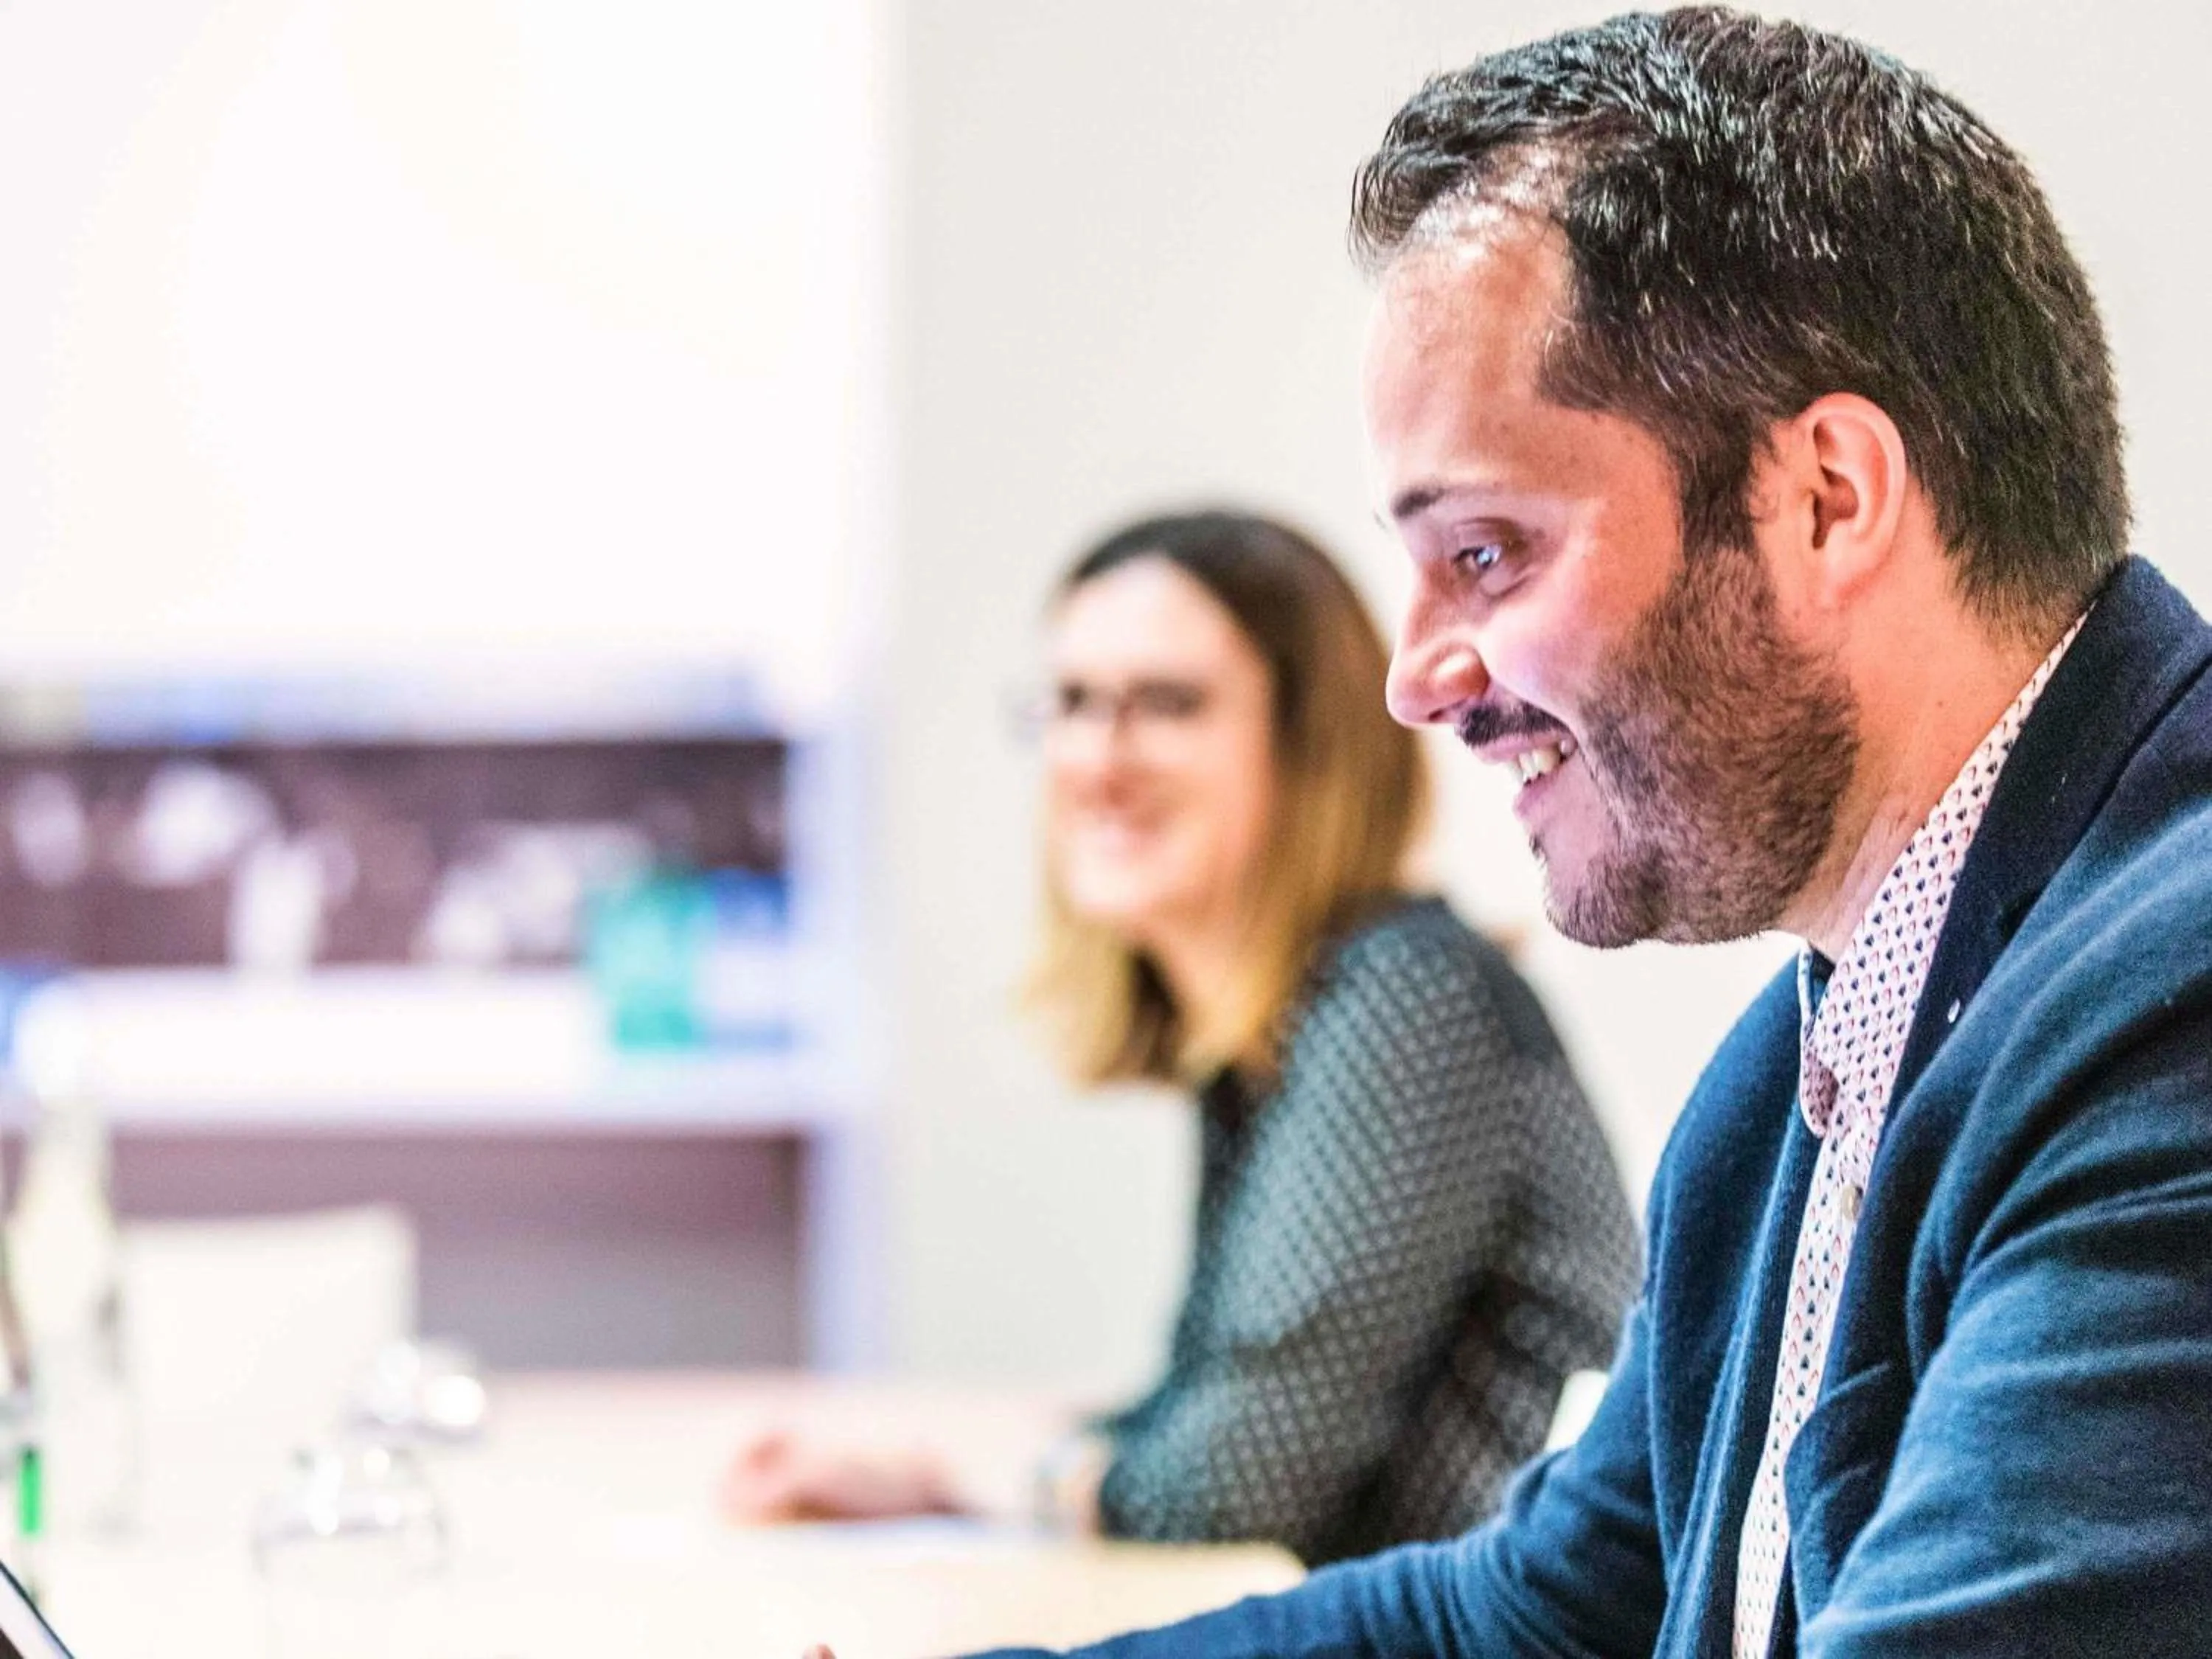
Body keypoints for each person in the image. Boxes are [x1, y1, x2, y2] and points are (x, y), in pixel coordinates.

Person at [804, 8, 2212, 1657]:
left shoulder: (2167, 1011)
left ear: (1827, 497)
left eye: (1487, 553)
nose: (1415, 681)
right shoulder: (1809, 1061)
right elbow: (1534, 1613)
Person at [728, 509, 1640, 1565]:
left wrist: (991, 1473)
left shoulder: (1407, 999)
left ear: (1311, 744)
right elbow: (1191, 1420)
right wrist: (938, 1474)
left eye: (1166, 704)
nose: (1099, 760)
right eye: (1073, 703)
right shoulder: (1278, 1036)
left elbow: (1226, 1487)